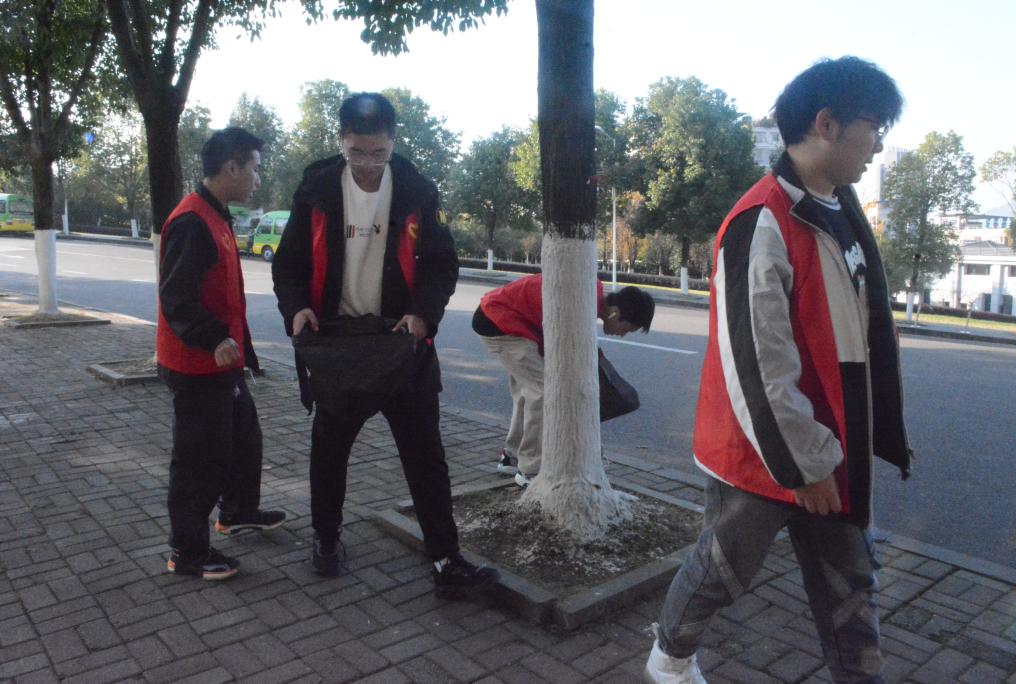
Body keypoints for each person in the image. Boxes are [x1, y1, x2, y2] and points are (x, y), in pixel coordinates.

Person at [643, 56, 913, 684]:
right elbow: (754, 359)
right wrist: (805, 464)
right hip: (763, 448)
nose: (878, 146)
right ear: (827, 123)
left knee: (852, 582)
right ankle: (669, 658)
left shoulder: (842, 210)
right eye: (875, 128)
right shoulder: (761, 218)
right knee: (722, 570)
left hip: (833, 441)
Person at [272, 92, 498, 598]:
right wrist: (296, 308)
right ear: (341, 141)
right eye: (357, 152)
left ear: (394, 142)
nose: (368, 164)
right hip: (338, 345)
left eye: (378, 153)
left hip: (402, 344)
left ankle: (446, 560)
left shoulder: (417, 189)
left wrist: (424, 315)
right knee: (329, 452)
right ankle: (326, 540)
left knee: (426, 458)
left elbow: (441, 264)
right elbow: (288, 263)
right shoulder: (316, 188)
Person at [157, 127, 286, 581]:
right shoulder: (192, 221)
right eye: (254, 168)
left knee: (245, 439)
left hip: (222, 362)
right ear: (231, 167)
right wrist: (214, 338)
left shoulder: (217, 214)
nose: (257, 178)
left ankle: (237, 512)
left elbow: (224, 293)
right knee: (199, 461)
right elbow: (177, 298)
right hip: (196, 364)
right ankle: (187, 552)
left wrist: (242, 351)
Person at [472, 274, 655, 483]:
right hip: (500, 322)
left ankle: (512, 457)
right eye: (626, 329)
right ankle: (531, 470)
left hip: (506, 320)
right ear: (616, 313)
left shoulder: (587, 290)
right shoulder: (581, 303)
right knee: (544, 394)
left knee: (527, 392)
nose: (622, 335)